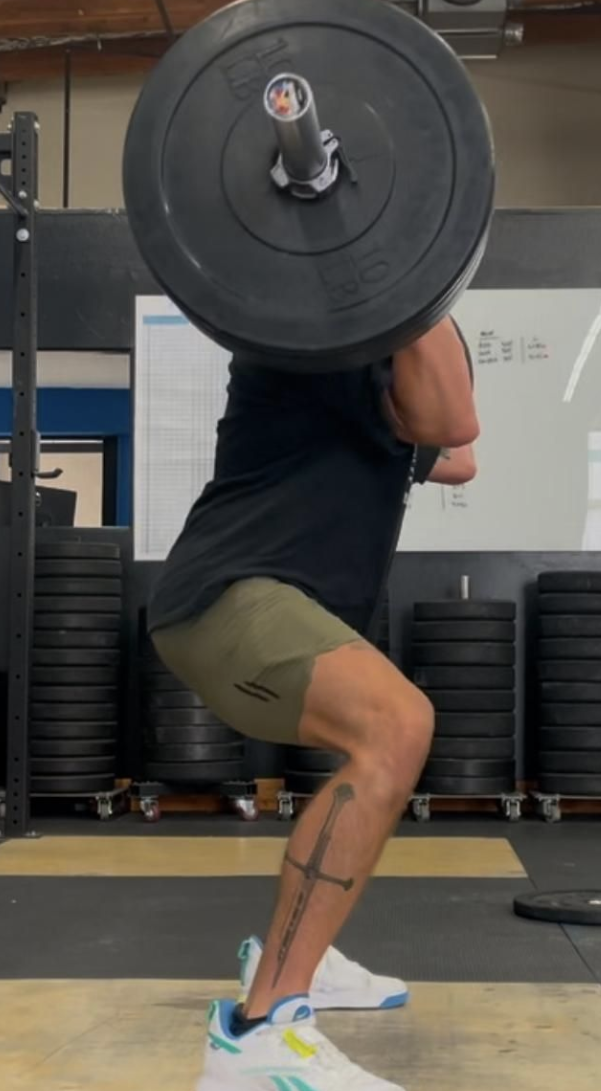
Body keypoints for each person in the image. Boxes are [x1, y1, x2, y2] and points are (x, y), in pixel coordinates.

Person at [149, 316, 479, 1091]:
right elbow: (453, 419)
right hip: (228, 595)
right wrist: (409, 283)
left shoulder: (379, 404)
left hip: (260, 604)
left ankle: (301, 957)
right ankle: (260, 1032)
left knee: (367, 751)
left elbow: (460, 454)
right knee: (396, 724)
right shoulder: (298, 342)